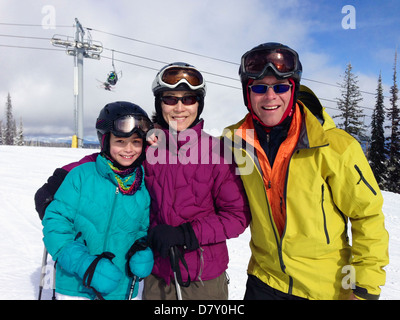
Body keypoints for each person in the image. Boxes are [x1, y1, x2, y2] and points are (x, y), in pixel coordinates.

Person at [35, 62, 251, 300]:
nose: (179, 108)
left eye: (189, 99)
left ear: (199, 104)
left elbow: (236, 217)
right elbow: (110, 157)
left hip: (201, 278)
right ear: (159, 102)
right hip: (153, 275)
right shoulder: (149, 145)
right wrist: (61, 177)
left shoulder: (219, 152)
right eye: (170, 99)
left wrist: (185, 234)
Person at [222, 42, 389, 300]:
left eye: (280, 87)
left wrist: (365, 287)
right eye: (259, 88)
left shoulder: (335, 147)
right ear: (247, 94)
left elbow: (367, 216)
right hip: (264, 282)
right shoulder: (234, 141)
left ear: (293, 90)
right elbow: (199, 174)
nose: (270, 97)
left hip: (324, 289)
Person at [41, 101, 154, 300]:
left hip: (122, 289)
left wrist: (141, 249)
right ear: (105, 141)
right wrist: (85, 264)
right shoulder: (81, 176)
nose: (129, 149)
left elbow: (141, 230)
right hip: (76, 288)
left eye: (136, 142)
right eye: (120, 141)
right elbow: (55, 226)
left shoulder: (141, 185)